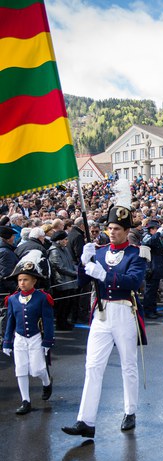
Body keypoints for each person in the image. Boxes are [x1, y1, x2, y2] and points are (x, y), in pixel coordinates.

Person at [62, 179, 148, 439]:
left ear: (126, 230)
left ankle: (130, 410)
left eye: (117, 229)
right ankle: (85, 420)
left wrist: (104, 274)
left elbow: (133, 281)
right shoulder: (98, 252)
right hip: (101, 313)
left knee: (128, 365)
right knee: (93, 366)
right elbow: (82, 281)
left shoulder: (137, 254)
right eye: (110, 228)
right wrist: (83, 261)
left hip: (124, 311)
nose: (112, 232)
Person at [2, 252, 54, 414]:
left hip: (35, 337)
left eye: (25, 279)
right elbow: (10, 321)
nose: (22, 283)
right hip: (19, 339)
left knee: (37, 369)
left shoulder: (42, 298)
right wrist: (7, 341)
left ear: (34, 281)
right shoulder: (12, 299)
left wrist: (47, 341)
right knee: (21, 369)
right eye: (20, 280)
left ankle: (46, 382)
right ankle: (26, 401)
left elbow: (47, 321)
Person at [48, 230, 77, 330]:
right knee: (62, 305)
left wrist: (76, 270)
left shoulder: (65, 249)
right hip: (61, 281)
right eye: (65, 239)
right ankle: (61, 323)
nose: (67, 241)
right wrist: (74, 273)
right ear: (59, 240)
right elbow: (60, 267)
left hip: (69, 281)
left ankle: (65, 322)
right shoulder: (54, 251)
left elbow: (71, 263)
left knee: (69, 303)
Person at [142, 220, 163, 319]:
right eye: (156, 228)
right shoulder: (147, 237)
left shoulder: (156, 237)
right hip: (150, 267)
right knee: (149, 291)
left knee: (154, 290)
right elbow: (149, 243)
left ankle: (153, 309)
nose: (157, 230)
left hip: (157, 267)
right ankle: (148, 310)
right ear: (151, 229)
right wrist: (158, 233)